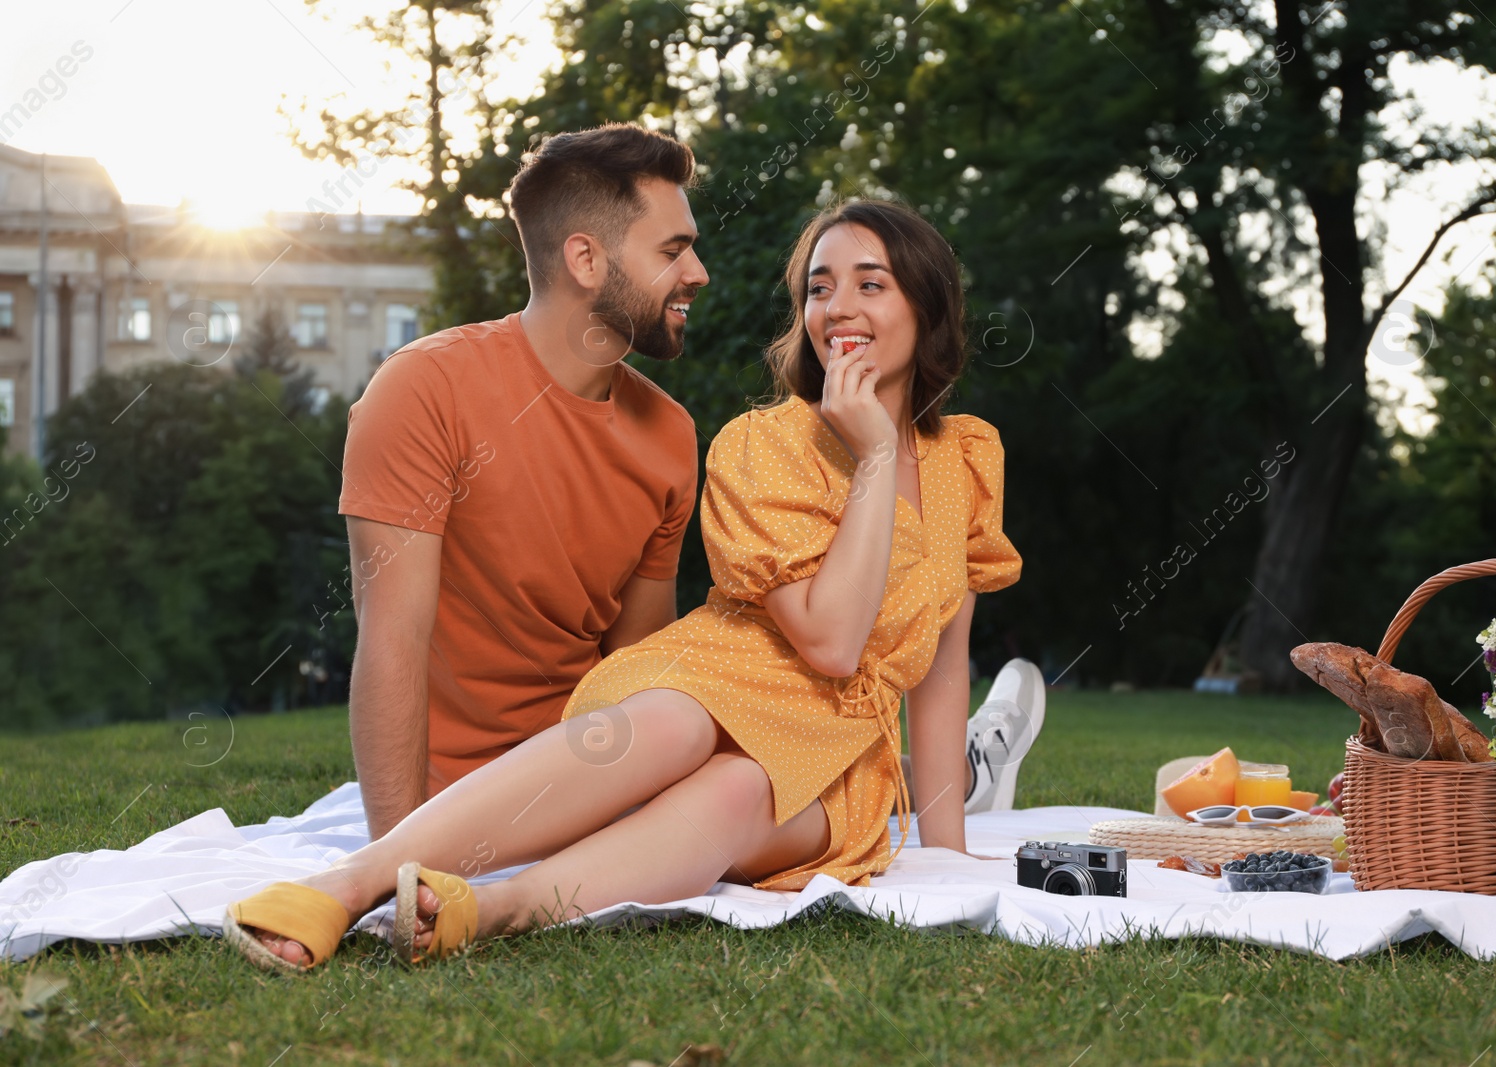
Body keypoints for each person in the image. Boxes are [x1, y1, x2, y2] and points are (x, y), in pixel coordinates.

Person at [223, 198, 1028, 973]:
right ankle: (353, 880)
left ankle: (487, 911)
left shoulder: (968, 457)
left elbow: (939, 662)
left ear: (926, 306)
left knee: (739, 790)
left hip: (843, 752)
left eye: (869, 283)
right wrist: (871, 457)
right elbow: (823, 638)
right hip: (724, 680)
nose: (837, 308)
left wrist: (946, 850)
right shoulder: (763, 446)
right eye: (819, 287)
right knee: (680, 726)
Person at [336, 123, 706, 838]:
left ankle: (934, 778)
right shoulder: (423, 388)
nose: (698, 272)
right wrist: (397, 860)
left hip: (587, 779)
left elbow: (634, 670)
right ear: (586, 259)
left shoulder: (670, 434)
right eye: (673, 250)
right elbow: (393, 642)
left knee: (755, 767)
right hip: (456, 795)